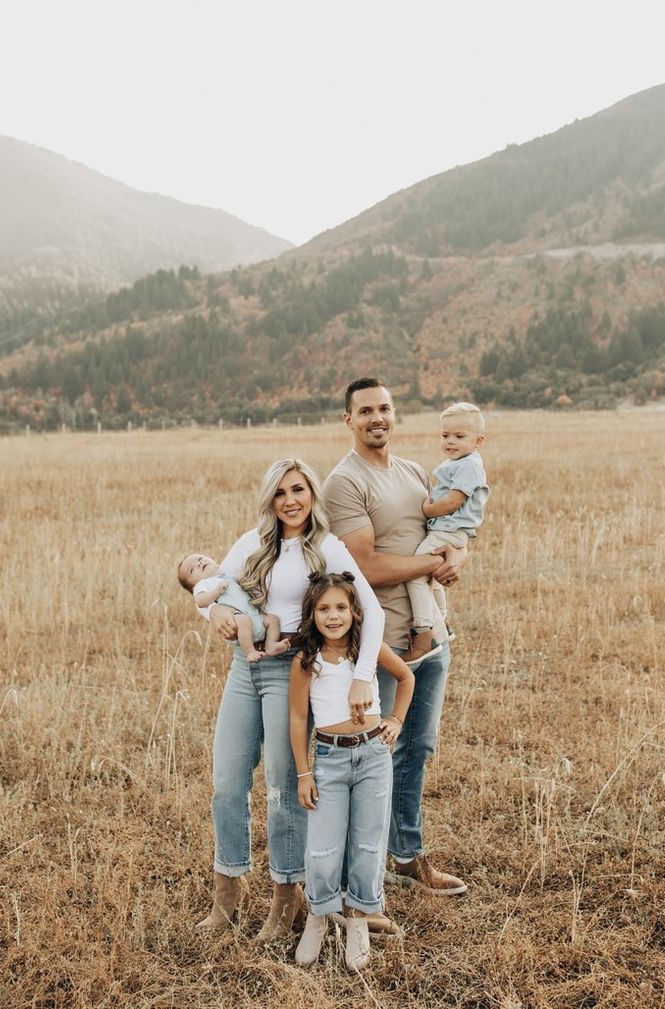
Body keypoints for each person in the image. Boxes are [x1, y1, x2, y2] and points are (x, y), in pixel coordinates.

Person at [192, 458, 385, 940]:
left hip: (292, 671)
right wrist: (214, 613)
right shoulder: (253, 542)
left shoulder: (328, 546)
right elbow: (211, 588)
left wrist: (364, 675)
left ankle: (286, 899)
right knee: (227, 783)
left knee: (282, 789)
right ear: (269, 500)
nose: (290, 500)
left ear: (312, 494)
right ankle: (227, 895)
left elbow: (373, 611)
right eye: (280, 493)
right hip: (246, 668)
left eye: (298, 489)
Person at [322, 377, 469, 896]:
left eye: (384, 408)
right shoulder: (345, 482)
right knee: (370, 755)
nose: (377, 418)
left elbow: (451, 532)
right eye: (366, 411)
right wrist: (432, 561)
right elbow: (363, 566)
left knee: (417, 748)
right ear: (349, 420)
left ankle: (405, 855)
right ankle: (355, 877)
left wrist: (455, 557)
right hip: (383, 645)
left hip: (434, 636)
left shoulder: (413, 472)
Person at [289, 572, 414, 970]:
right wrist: (304, 773)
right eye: (323, 608)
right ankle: (319, 915)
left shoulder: (367, 649)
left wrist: (395, 719)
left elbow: (406, 676)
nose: (333, 616)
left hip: (374, 755)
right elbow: (296, 719)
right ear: (312, 614)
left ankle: (359, 919)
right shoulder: (306, 661)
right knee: (323, 849)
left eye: (341, 607)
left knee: (368, 843)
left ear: (355, 611)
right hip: (329, 759)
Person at [402, 402, 489, 664]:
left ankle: (423, 633)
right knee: (432, 579)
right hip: (448, 531)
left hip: (448, 530)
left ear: (478, 441)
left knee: (415, 575)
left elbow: (453, 501)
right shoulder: (460, 462)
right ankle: (443, 622)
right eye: (445, 435)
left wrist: (427, 509)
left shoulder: (469, 465)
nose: (450, 442)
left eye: (459, 437)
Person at [178, 552, 289, 664]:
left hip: (255, 615)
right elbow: (200, 601)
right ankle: (249, 651)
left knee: (273, 619)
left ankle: (270, 645)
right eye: (192, 570)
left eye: (200, 559)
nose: (199, 564)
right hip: (238, 618)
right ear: (193, 586)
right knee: (244, 621)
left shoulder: (226, 575)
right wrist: (216, 591)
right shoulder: (203, 584)